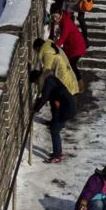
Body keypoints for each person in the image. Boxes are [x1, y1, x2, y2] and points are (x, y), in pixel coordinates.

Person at [32, 35, 79, 164]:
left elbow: (44, 97)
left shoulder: (48, 81)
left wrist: (34, 110)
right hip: (67, 105)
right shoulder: (52, 80)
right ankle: (58, 151)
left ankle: (57, 155)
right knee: (55, 127)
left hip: (67, 108)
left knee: (54, 130)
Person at [52, 7, 90, 103]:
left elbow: (63, 37)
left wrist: (55, 46)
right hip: (71, 47)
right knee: (68, 65)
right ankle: (71, 84)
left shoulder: (66, 22)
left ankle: (80, 85)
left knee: (72, 65)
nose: (55, 19)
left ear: (60, 14)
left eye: (56, 16)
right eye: (53, 17)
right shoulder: (61, 21)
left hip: (77, 46)